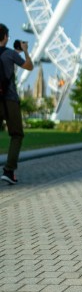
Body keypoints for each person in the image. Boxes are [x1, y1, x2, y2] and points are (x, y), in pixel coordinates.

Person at [0, 24, 33, 184]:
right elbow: (29, 66)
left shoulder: (9, 54)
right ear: (5, 37)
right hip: (9, 99)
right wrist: (25, 50)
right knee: (17, 134)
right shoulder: (11, 54)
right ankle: (9, 170)